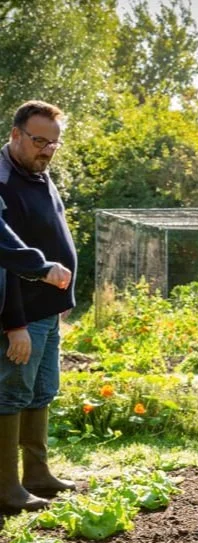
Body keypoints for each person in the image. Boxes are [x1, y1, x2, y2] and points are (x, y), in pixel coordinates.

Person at [0, 100, 78, 513]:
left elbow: (52, 234)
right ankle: (6, 488)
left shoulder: (39, 175)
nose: (47, 150)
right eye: (38, 141)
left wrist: (63, 299)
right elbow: (4, 257)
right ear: (15, 134)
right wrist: (13, 324)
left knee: (41, 391)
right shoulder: (3, 181)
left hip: (47, 310)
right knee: (10, 395)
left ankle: (37, 475)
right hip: (20, 314)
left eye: (53, 144)